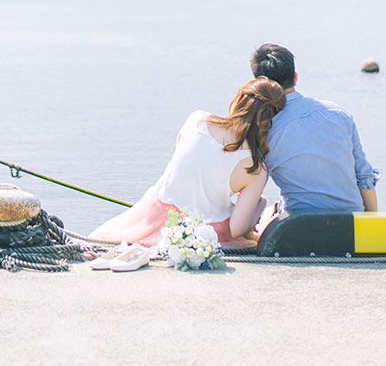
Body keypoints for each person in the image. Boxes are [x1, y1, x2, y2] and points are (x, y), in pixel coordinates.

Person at [89, 77, 286, 250]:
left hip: (151, 215)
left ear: (239, 99)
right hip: (206, 230)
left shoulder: (198, 120)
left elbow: (184, 163)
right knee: (257, 212)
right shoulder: (255, 168)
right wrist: (256, 215)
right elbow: (236, 229)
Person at [249, 43, 378, 215]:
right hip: (350, 222)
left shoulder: (265, 128)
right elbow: (364, 178)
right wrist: (370, 227)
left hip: (299, 226)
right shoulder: (340, 114)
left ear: (258, 84)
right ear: (295, 78)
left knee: (268, 212)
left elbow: (252, 190)